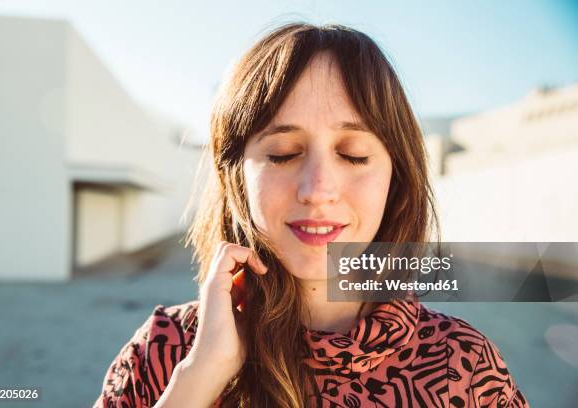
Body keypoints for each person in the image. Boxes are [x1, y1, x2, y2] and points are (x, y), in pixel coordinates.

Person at [93, 23, 529, 408]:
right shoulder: (162, 351)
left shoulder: (465, 365)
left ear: (395, 177)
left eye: (353, 155)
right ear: (235, 176)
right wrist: (201, 376)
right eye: (283, 154)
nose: (317, 190)